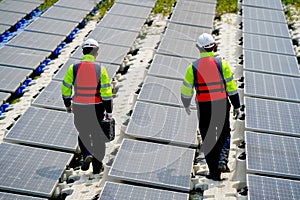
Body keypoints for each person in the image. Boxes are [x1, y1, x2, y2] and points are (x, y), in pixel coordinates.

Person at [180, 33, 240, 181]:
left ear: (198, 48)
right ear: (214, 46)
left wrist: (186, 104)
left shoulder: (193, 67)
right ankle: (222, 159)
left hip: (204, 106)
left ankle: (214, 172)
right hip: (221, 103)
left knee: (208, 138)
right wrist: (236, 105)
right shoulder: (222, 64)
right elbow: (231, 87)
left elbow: (186, 89)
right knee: (224, 132)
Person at [61, 38, 113, 174]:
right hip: (97, 107)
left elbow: (65, 90)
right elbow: (106, 93)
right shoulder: (100, 69)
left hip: (79, 106)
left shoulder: (73, 68)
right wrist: (109, 112)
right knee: (97, 136)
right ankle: (97, 168)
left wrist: (68, 105)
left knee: (83, 133)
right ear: (96, 52)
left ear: (83, 51)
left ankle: (86, 154)